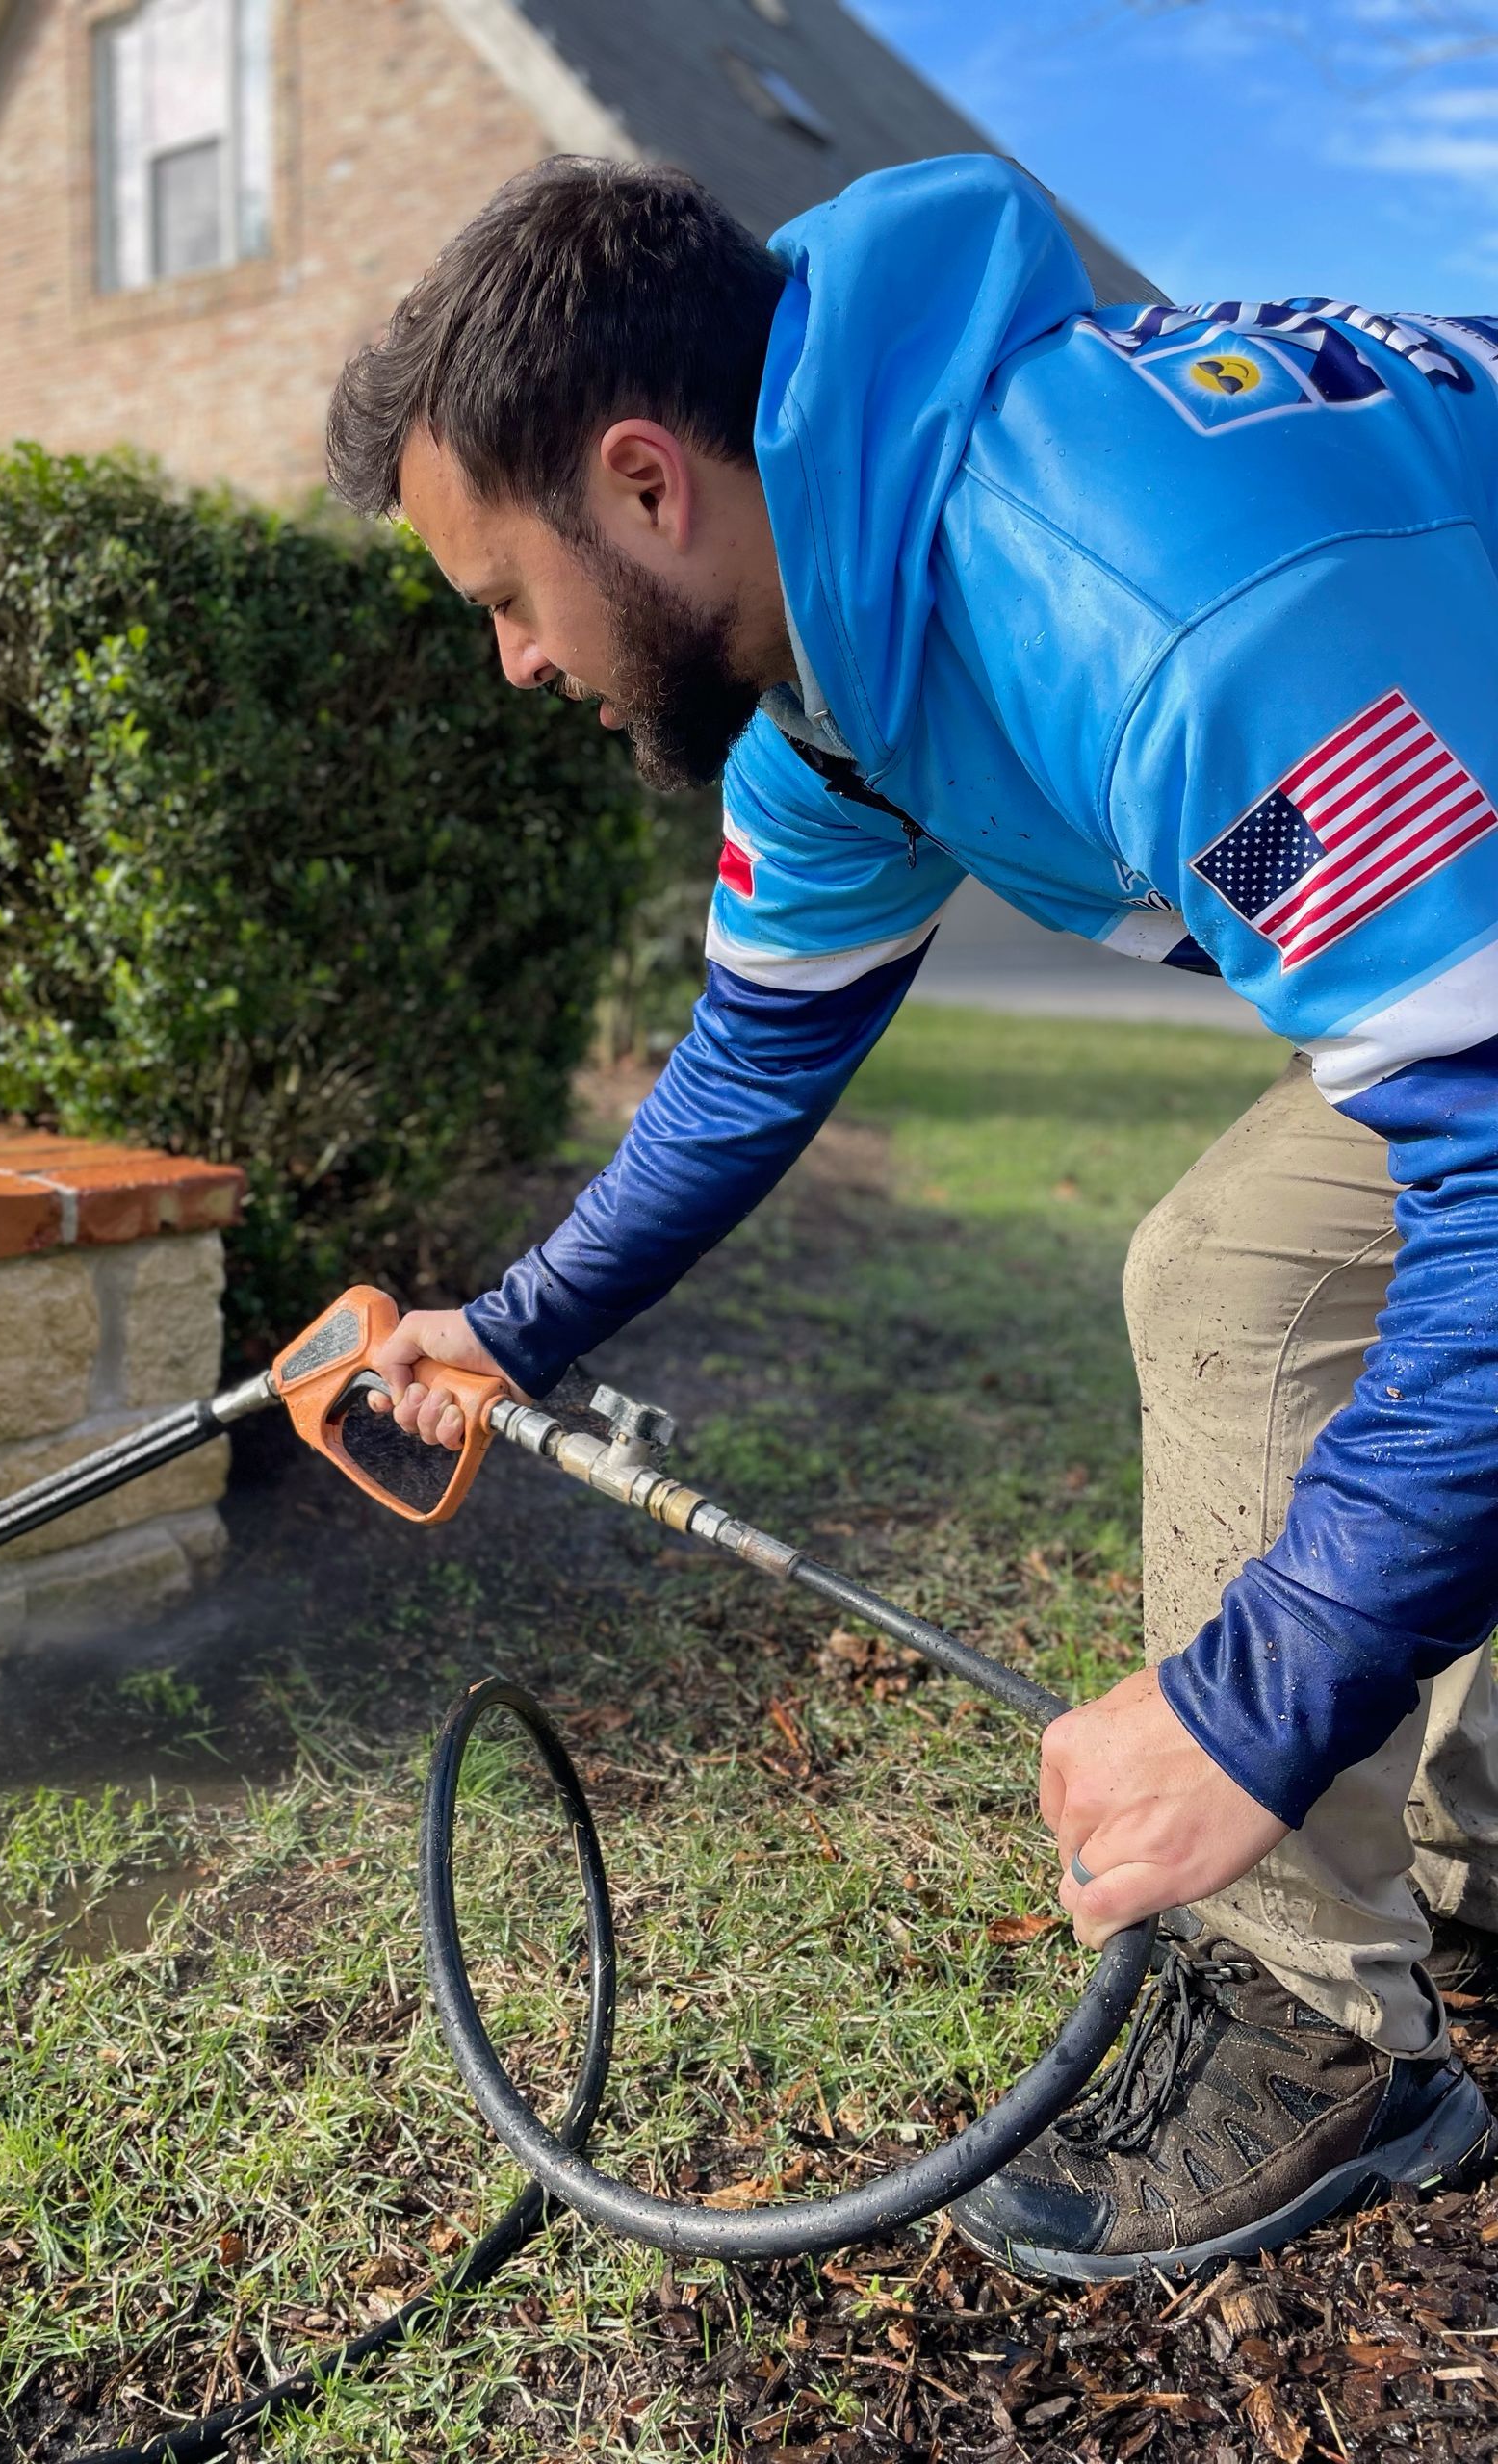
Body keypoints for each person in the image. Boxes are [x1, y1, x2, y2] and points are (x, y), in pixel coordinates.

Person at [323, 152, 1498, 2282]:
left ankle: (1326, 2048)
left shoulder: (1138, 594)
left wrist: (1253, 1699)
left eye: (504, 591)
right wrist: (517, 1324)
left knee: (1248, 1279)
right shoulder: (841, 671)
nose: (507, 662)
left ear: (644, 482)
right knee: (1315, 1246)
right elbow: (754, 1063)